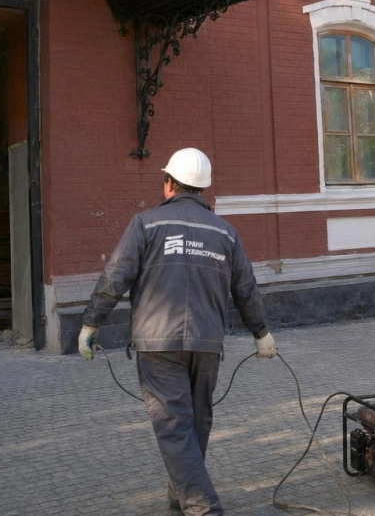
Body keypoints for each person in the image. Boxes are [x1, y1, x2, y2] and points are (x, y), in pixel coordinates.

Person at [78, 148, 276, 516]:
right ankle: (180, 492)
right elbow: (246, 288)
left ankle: (202, 507)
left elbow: (114, 276)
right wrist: (261, 332)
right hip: (206, 343)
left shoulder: (146, 224)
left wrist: (90, 323)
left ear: (169, 183)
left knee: (174, 426)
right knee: (196, 420)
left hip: (158, 343)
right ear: (204, 190)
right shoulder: (226, 233)